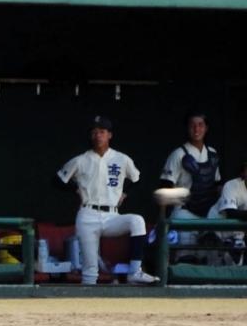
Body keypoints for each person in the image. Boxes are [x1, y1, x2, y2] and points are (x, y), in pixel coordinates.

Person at [55, 116, 159, 285]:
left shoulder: (121, 158)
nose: (98, 136)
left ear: (109, 135)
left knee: (137, 221)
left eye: (102, 132)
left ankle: (135, 271)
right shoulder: (81, 160)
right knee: (90, 272)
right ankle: (88, 309)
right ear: (91, 136)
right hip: (88, 215)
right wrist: (74, 189)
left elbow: (137, 178)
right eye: (94, 132)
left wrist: (125, 192)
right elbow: (57, 180)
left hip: (112, 216)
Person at [157, 111, 221, 259]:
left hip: (208, 214)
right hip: (184, 211)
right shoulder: (178, 154)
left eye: (200, 125)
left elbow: (217, 184)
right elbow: (165, 187)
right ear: (187, 128)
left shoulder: (212, 153)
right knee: (185, 256)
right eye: (192, 125)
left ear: (206, 128)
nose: (196, 129)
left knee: (208, 256)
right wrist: (162, 218)